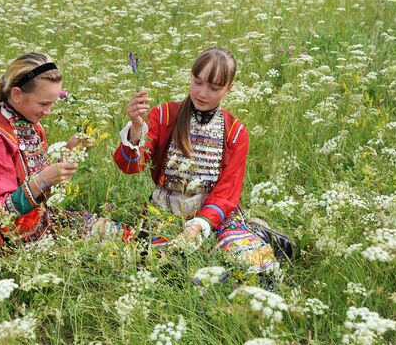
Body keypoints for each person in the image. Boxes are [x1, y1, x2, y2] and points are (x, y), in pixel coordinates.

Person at [113, 47, 279, 273]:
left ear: (228, 89)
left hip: (212, 216)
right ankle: (252, 232)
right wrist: (135, 128)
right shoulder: (164, 115)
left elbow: (227, 191)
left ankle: (260, 235)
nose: (202, 93)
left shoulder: (235, 132)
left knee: (257, 265)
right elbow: (131, 166)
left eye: (214, 88)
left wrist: (200, 225)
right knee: (165, 268)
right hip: (165, 213)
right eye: (198, 82)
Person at [0, 52, 109, 246]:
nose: (48, 111)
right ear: (16, 94)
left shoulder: (32, 126)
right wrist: (44, 178)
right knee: (116, 251)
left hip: (47, 222)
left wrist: (69, 154)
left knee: (127, 236)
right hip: (16, 241)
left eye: (53, 103)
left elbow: (43, 197)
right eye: (43, 103)